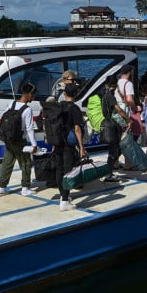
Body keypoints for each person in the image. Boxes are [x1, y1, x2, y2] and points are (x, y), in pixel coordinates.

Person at [0, 83, 39, 197]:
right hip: (20, 141)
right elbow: (30, 129)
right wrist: (34, 144)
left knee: (7, 162)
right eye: (33, 95)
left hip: (8, 139)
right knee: (26, 163)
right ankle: (25, 188)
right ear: (29, 94)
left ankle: (1, 187)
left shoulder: (12, 103)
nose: (34, 98)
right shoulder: (27, 110)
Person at [54, 83, 88, 211]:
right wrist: (81, 147)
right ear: (76, 94)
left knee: (59, 170)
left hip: (57, 142)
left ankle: (63, 196)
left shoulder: (58, 106)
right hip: (68, 144)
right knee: (67, 172)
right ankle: (64, 201)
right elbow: (77, 129)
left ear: (64, 93)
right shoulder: (74, 109)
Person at [101, 74, 130, 180]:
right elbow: (119, 109)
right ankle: (108, 173)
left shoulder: (104, 93)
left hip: (109, 123)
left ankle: (109, 171)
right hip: (112, 125)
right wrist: (128, 120)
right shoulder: (109, 95)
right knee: (115, 149)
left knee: (114, 149)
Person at [116, 65, 140, 168]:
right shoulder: (128, 83)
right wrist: (135, 108)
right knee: (127, 138)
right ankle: (128, 163)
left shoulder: (117, 83)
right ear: (129, 72)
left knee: (118, 138)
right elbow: (129, 99)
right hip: (125, 113)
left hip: (116, 112)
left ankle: (115, 162)